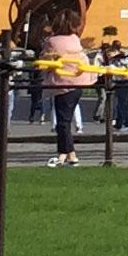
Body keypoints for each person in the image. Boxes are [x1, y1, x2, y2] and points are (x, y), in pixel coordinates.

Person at [37, 15, 94, 164]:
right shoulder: (75, 39)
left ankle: (67, 153)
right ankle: (67, 153)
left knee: (63, 121)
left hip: (62, 83)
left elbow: (45, 62)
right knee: (66, 119)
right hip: (79, 83)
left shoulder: (52, 42)